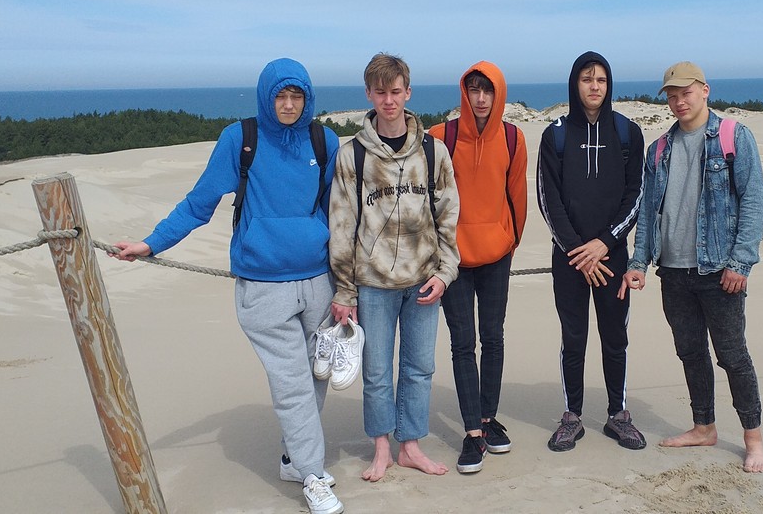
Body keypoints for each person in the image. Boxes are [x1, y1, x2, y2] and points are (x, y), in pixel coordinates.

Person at [110, 58, 345, 513]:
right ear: (266, 97)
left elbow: (342, 209)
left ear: (308, 98)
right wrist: (152, 243)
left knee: (315, 377)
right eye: (280, 96)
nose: (289, 104)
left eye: (296, 96)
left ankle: (294, 459)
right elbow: (199, 203)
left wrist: (348, 284)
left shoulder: (324, 140)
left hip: (319, 280)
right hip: (263, 286)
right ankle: (313, 475)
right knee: (292, 383)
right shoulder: (241, 139)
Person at [619, 61, 763, 473]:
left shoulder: (733, 136)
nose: (678, 102)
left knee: (732, 356)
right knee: (690, 353)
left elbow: (754, 201)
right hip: (673, 271)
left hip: (719, 270)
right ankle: (704, 427)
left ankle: (754, 440)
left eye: (685, 93)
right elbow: (649, 213)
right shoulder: (659, 149)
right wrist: (639, 262)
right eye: (671, 95)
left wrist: (741, 262)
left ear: (705, 90)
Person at [327, 53, 460, 481]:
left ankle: (411, 446)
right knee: (378, 371)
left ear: (408, 93)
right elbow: (342, 226)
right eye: (381, 92)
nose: (389, 100)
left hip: (423, 281)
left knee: (420, 368)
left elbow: (448, 216)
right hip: (373, 283)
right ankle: (382, 448)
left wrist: (445, 273)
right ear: (369, 94)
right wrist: (345, 290)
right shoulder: (353, 155)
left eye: (396, 91)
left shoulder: (433, 150)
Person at [536, 51, 646, 452]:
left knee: (615, 336)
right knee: (574, 337)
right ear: (575, 84)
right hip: (569, 258)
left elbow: (636, 194)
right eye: (587, 79)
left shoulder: (628, 133)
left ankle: (618, 414)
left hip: (611, 256)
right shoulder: (556, 134)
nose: (594, 86)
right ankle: (572, 417)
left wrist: (604, 243)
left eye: (600, 79)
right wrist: (577, 251)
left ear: (609, 84)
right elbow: (548, 199)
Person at [428, 61, 528, 473]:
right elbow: (427, 200)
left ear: (498, 93)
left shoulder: (513, 137)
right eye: (474, 90)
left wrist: (509, 241)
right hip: (452, 260)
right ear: (464, 93)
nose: (481, 98)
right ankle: (472, 433)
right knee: (462, 343)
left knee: (494, 337)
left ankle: (488, 419)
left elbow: (517, 197)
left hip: (496, 256)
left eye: (488, 90)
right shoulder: (441, 136)